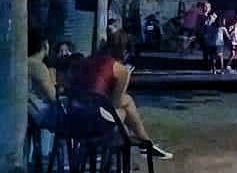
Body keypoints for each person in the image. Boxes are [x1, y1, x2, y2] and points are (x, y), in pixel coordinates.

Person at [69, 30, 172, 159]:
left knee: (123, 106)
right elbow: (115, 104)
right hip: (95, 122)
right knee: (127, 103)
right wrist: (126, 76)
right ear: (125, 51)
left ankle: (145, 145)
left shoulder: (87, 61)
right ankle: (145, 144)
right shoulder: (120, 70)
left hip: (74, 115)